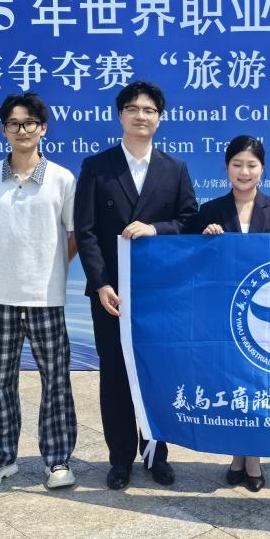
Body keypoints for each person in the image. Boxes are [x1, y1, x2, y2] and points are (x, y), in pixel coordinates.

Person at [74, 80, 198, 490]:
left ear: (159, 118)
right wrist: (100, 284)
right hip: (112, 294)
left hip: (160, 292)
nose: (140, 116)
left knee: (155, 373)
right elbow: (86, 231)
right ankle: (120, 458)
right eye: (133, 109)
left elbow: (189, 221)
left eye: (149, 110)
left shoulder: (174, 169)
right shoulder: (98, 166)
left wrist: (156, 228)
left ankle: (156, 453)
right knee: (115, 374)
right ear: (120, 115)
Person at [0, 93, 79, 491]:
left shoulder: (62, 179)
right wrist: (9, 262)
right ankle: (0, 458)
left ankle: (58, 459)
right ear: (3, 130)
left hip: (47, 299)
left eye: (30, 123)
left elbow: (73, 235)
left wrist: (49, 267)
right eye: (13, 124)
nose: (22, 130)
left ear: (43, 128)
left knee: (56, 382)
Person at [186, 135, 270, 492]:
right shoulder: (210, 211)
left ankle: (253, 457)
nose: (244, 172)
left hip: (267, 314)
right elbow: (194, 262)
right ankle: (236, 453)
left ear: (263, 169)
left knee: (259, 384)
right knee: (231, 382)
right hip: (225, 312)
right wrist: (206, 239)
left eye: (251, 165)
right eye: (237, 165)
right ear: (227, 168)